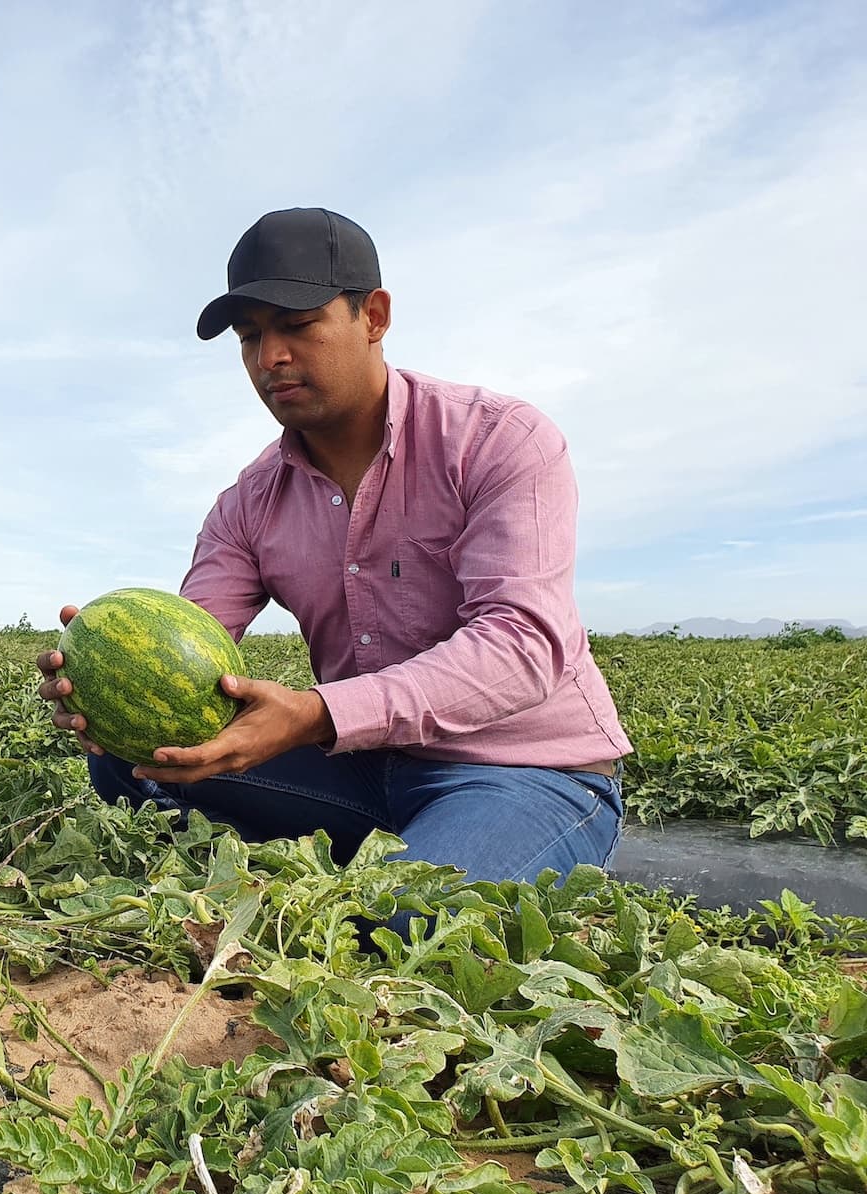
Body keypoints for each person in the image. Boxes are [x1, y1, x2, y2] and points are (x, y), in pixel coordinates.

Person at [37, 207, 632, 891]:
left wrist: (318, 714)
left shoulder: (498, 441)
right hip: (357, 770)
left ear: (373, 317)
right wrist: (102, 679)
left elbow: (522, 646)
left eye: (296, 325)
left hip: (524, 771)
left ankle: (474, 848)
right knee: (131, 756)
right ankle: (342, 858)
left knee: (410, 917)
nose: (269, 358)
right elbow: (192, 641)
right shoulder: (247, 503)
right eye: (250, 336)